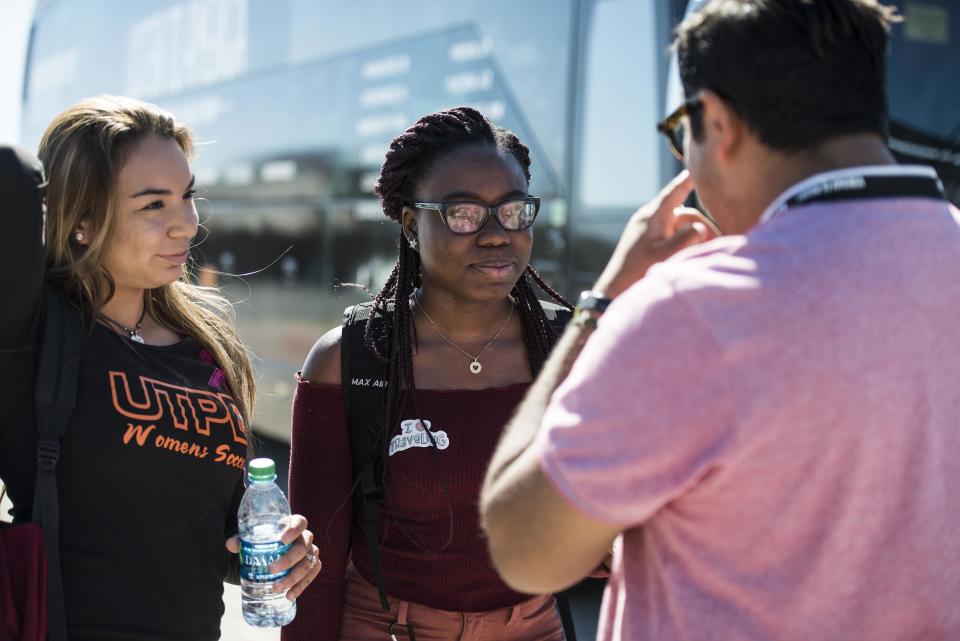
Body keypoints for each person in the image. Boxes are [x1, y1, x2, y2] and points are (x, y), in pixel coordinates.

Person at [480, 1, 960, 640]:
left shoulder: (696, 310)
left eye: (683, 130)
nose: (685, 158)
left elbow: (522, 545)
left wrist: (601, 304)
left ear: (720, 123)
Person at [0, 95, 320, 641]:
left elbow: (212, 530)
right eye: (153, 205)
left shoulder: (205, 343)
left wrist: (277, 550)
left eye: (187, 196)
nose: (186, 225)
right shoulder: (32, 330)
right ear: (81, 219)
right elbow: (10, 174)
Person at [284, 106, 575, 641]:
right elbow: (313, 566)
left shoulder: (569, 351)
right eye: (463, 213)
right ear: (412, 224)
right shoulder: (351, 361)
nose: (495, 234)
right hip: (390, 629)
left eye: (514, 210)